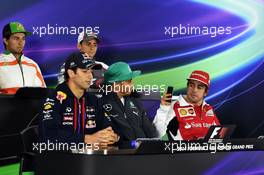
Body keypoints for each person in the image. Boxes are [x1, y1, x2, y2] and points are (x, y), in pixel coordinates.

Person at [39, 52, 119, 146]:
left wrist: (112, 136)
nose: (91, 76)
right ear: (71, 73)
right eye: (85, 71)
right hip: (57, 158)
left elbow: (108, 127)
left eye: (91, 71)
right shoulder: (53, 100)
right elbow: (49, 136)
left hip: (89, 158)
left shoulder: (93, 100)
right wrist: (86, 139)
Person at [153, 70, 220, 140]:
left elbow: (219, 136)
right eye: (191, 85)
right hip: (182, 150)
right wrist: (163, 109)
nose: (194, 90)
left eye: (199, 87)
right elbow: (156, 135)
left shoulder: (208, 108)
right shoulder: (174, 106)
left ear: (205, 92)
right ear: (187, 87)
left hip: (208, 150)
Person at [102, 62, 157, 145]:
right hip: (120, 154)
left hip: (144, 152)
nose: (132, 84)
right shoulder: (101, 104)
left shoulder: (136, 102)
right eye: (129, 81)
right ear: (116, 83)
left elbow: (150, 131)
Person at [0, 22, 46, 94]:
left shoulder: (33, 65)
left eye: (23, 38)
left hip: (31, 105)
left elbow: (43, 94)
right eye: (16, 38)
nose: (21, 42)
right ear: (6, 40)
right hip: (6, 105)